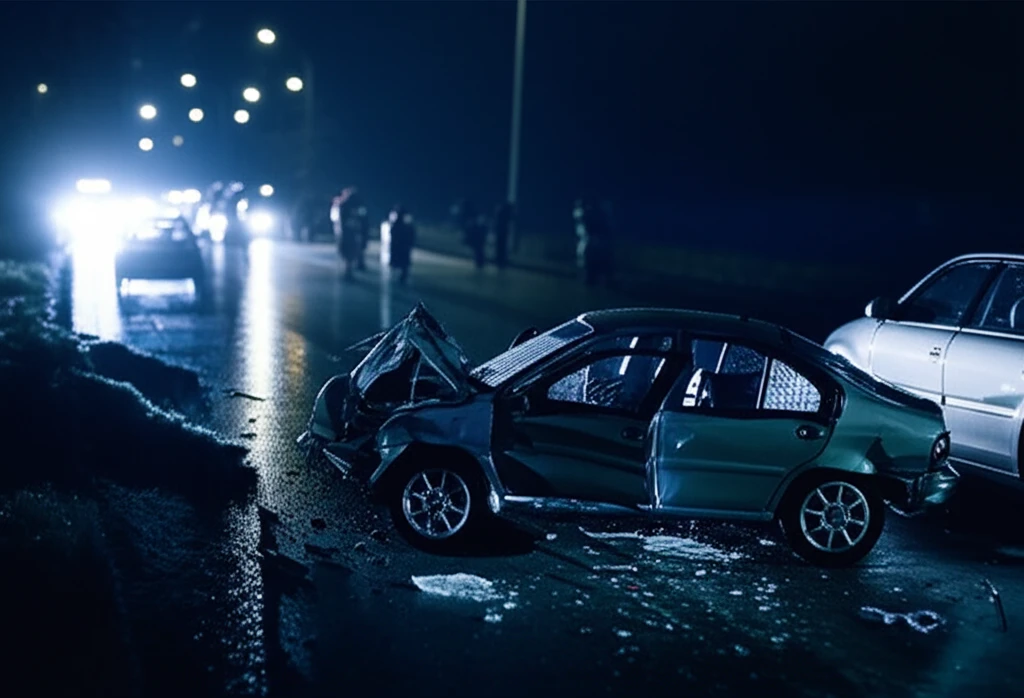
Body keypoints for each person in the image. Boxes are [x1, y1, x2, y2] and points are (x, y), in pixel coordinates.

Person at [388, 204, 416, 283]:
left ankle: (401, 276)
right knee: (403, 262)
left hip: (402, 246)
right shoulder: (403, 224)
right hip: (402, 246)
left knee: (402, 262)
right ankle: (401, 275)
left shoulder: (400, 224)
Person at [492, 201, 513, 269]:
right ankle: (500, 261)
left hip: (501, 232)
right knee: (501, 247)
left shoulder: (500, 214)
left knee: (500, 247)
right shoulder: (504, 215)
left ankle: (499, 261)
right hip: (502, 232)